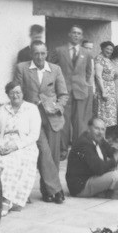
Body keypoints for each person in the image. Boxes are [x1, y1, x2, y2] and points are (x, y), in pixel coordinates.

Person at [14, 40, 69, 204]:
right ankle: (57, 189)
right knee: (44, 152)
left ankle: (47, 191)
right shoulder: (22, 68)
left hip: (52, 118)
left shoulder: (55, 69)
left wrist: (58, 106)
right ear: (31, 54)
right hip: (31, 118)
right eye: (36, 53)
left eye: (43, 53)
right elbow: (16, 92)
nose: (39, 57)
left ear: (47, 53)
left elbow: (63, 94)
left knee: (53, 156)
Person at [0, 82, 42, 216]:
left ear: (23, 94)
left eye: (18, 92)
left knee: (11, 163)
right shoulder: (2, 110)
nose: (15, 95)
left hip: (23, 146)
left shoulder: (32, 109)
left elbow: (34, 135)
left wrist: (15, 146)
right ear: (8, 94)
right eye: (12, 92)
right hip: (3, 144)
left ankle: (6, 200)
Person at [66, 117, 118, 199]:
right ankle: (116, 188)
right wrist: (115, 160)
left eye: (102, 129)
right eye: (97, 129)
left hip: (91, 176)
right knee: (114, 177)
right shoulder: (84, 143)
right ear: (89, 128)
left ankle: (107, 191)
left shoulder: (99, 139)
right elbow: (100, 168)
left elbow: (113, 152)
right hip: (80, 186)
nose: (100, 132)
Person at [51, 25, 94, 159]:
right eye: (74, 33)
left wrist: (84, 84)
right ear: (69, 35)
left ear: (81, 37)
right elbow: (51, 69)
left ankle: (77, 150)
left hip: (80, 92)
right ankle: (63, 150)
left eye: (79, 33)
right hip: (63, 92)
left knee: (79, 123)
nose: (76, 35)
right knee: (63, 122)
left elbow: (88, 72)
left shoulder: (86, 52)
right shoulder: (59, 50)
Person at [94, 41, 117, 128]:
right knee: (102, 113)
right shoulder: (99, 59)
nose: (109, 51)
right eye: (107, 49)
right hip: (103, 88)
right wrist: (103, 91)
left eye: (111, 49)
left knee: (109, 114)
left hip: (110, 88)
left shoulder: (108, 59)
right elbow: (98, 76)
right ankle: (101, 136)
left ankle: (105, 136)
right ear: (102, 48)